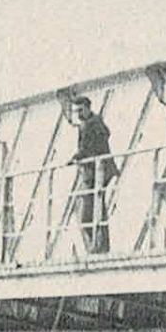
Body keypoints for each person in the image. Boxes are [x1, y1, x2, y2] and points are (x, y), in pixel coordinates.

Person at [68, 95, 117, 254]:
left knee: (87, 214)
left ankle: (97, 247)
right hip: (96, 171)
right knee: (95, 210)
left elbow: (89, 148)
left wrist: (76, 157)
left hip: (96, 172)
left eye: (80, 110)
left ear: (88, 108)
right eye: (76, 111)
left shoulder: (90, 124)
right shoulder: (94, 123)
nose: (78, 114)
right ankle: (99, 246)